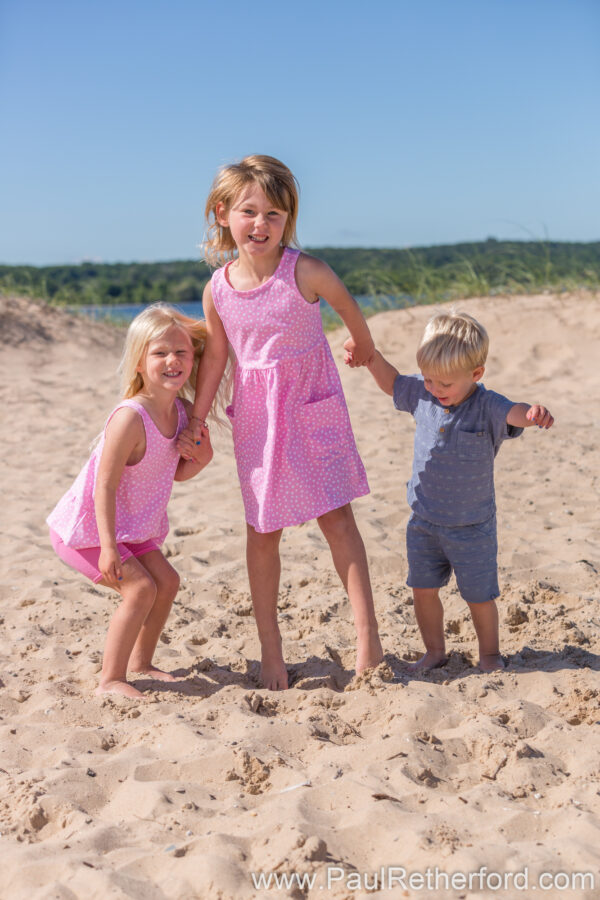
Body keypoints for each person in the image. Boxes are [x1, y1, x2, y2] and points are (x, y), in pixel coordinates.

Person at [180, 154, 383, 690]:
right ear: (223, 214)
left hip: (313, 404)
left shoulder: (305, 271)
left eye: (274, 213)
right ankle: (272, 651)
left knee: (337, 519)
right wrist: (197, 419)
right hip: (257, 417)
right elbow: (219, 357)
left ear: (287, 219)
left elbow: (346, 304)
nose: (261, 224)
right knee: (262, 530)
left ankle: (369, 641)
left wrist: (362, 344)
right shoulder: (218, 289)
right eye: (249, 211)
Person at [349, 310, 554, 672]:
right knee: (423, 590)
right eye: (429, 379)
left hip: (472, 526)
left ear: (476, 374)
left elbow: (514, 412)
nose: (434, 389)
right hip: (424, 521)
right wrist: (370, 356)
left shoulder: (486, 406)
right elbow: (393, 382)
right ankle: (434, 651)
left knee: (479, 595)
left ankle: (489, 654)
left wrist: (533, 413)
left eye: (444, 383)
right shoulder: (424, 395)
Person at [47, 304, 213, 698]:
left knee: (167, 582)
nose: (172, 360)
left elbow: (176, 471)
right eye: (159, 353)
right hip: (86, 529)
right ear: (139, 362)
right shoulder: (130, 417)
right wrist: (107, 548)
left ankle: (141, 663)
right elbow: (102, 487)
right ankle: (111, 679)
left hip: (131, 526)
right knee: (139, 589)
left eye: (182, 352)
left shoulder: (181, 410)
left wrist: (202, 456)